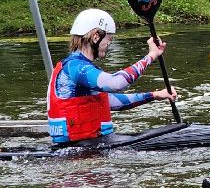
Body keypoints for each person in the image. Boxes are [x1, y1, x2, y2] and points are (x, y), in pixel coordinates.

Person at [47, 9, 177, 144]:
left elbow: (112, 102)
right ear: (96, 37)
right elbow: (115, 83)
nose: (109, 44)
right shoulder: (75, 67)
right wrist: (151, 55)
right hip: (79, 148)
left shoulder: (80, 68)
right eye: (109, 39)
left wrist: (154, 95)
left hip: (90, 144)